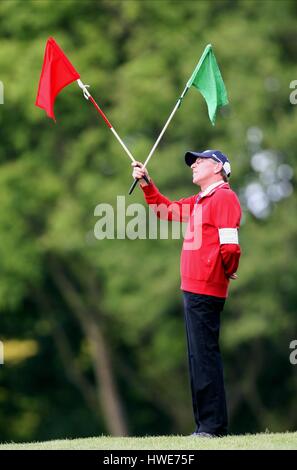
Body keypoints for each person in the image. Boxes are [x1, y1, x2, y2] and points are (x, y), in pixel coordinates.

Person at [132, 149, 242, 437]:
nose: (193, 165)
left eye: (200, 161)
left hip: (206, 288)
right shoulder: (200, 201)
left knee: (204, 356)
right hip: (193, 289)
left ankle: (212, 427)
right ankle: (205, 426)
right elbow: (164, 209)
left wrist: (223, 271)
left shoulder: (224, 197)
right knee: (197, 357)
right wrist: (146, 183)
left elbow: (230, 246)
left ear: (218, 167)